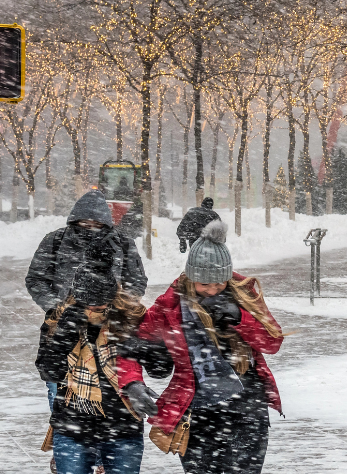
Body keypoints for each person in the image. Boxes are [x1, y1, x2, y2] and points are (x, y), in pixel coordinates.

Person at [123, 220, 284, 474]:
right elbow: (130, 348)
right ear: (190, 277)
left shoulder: (244, 295)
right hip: (198, 415)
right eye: (204, 284)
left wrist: (239, 317)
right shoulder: (170, 306)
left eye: (219, 283)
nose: (211, 290)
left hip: (248, 411)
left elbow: (272, 342)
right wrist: (132, 384)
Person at [36, 264, 172, 474]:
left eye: (102, 307)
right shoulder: (60, 319)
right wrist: (65, 334)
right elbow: (49, 371)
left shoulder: (129, 317)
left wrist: (145, 347)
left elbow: (160, 369)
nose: (96, 312)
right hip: (73, 428)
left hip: (122, 428)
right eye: (90, 306)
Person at [26, 190, 148, 313]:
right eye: (84, 222)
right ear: (75, 220)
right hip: (64, 322)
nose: (90, 228)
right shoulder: (55, 240)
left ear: (104, 222)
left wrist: (121, 307)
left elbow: (137, 281)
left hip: (108, 321)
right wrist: (56, 308)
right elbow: (36, 279)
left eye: (96, 223)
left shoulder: (122, 243)